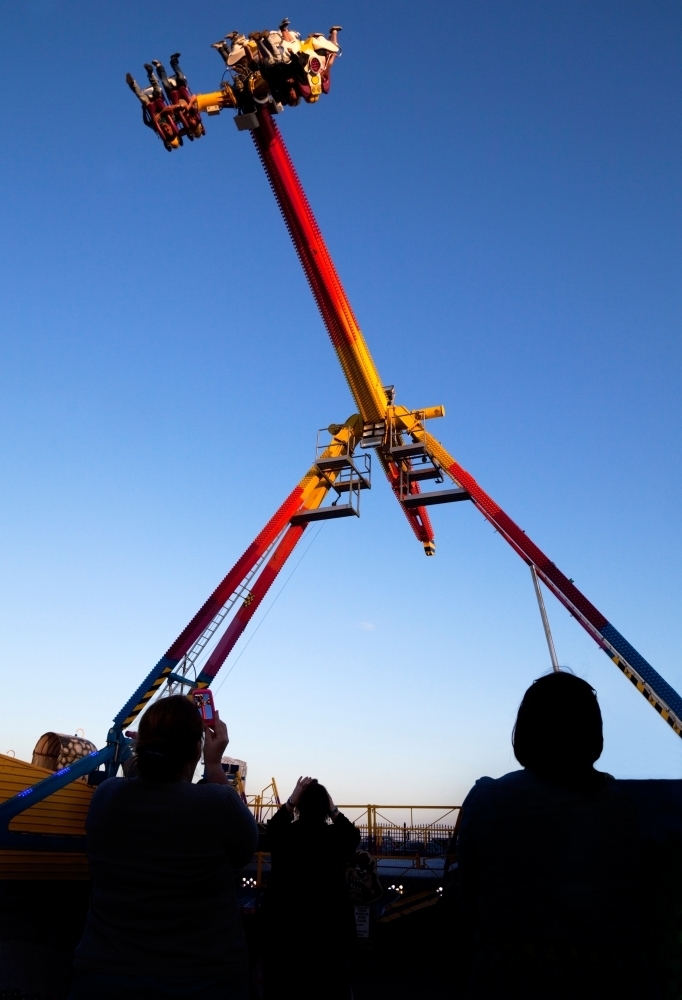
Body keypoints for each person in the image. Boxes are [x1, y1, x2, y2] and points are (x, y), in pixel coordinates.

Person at [457, 671, 652, 999]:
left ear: (526, 729)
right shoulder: (626, 806)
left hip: (509, 977)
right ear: (593, 733)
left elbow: (470, 900)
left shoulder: (488, 799)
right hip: (617, 978)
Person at [70, 695, 258, 1000]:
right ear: (196, 749)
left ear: (142, 745)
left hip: (105, 974)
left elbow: (143, 781)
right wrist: (213, 765)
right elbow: (246, 848)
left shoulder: (106, 796)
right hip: (206, 978)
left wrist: (142, 753)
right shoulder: (219, 804)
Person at [261, 776, 360, 999]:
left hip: (288, 930)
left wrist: (291, 801)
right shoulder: (334, 838)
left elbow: (273, 828)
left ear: (300, 805)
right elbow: (353, 836)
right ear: (325, 807)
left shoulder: (287, 835)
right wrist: (333, 809)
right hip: (328, 931)